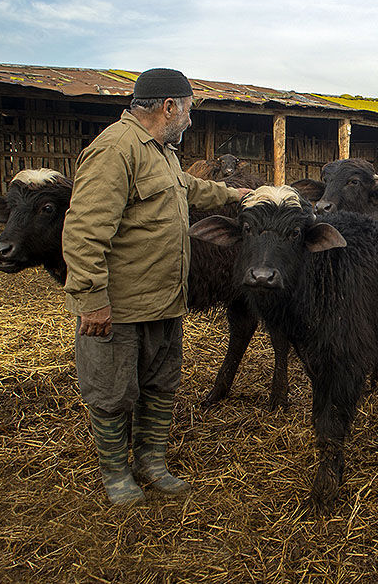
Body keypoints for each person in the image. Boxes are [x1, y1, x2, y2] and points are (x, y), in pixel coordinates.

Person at [62, 68, 251, 506]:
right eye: (188, 110)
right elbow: (84, 231)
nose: (189, 119)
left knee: (160, 385)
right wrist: (91, 300)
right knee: (111, 392)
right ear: (170, 107)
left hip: (164, 301)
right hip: (121, 306)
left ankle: (152, 462)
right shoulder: (115, 149)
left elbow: (190, 187)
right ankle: (116, 473)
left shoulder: (160, 152)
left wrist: (239, 195)